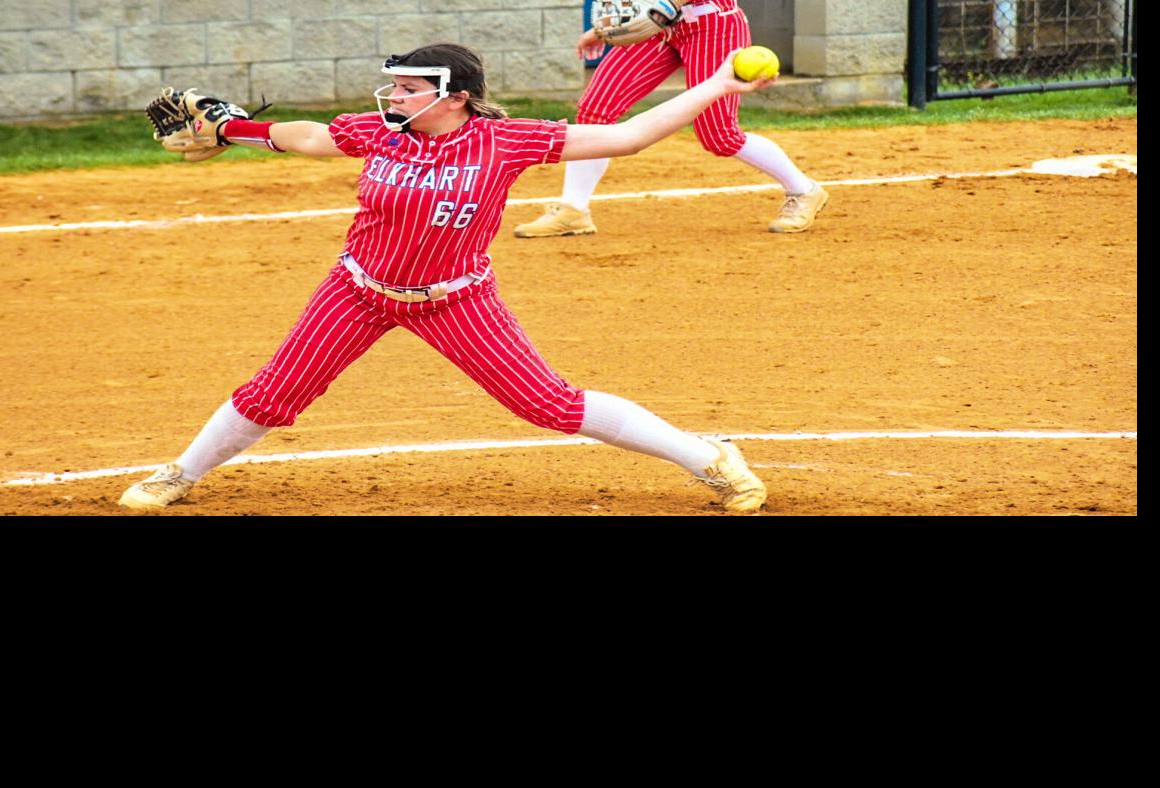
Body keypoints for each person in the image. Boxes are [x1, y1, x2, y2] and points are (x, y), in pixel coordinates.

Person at [119, 42, 769, 513]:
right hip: (357, 292)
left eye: (408, 88)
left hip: (455, 301)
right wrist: (235, 128)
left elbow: (629, 136)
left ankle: (710, 458)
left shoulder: (506, 140)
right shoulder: (380, 132)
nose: (394, 97)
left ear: (455, 96)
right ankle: (180, 474)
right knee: (270, 394)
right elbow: (311, 136)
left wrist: (719, 84)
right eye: (394, 86)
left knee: (549, 405)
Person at [513, 0, 828, 238]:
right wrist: (605, 28)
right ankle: (573, 210)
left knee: (718, 135)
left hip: (711, 26)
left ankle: (803, 189)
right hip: (660, 26)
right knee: (595, 111)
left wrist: (664, 7)